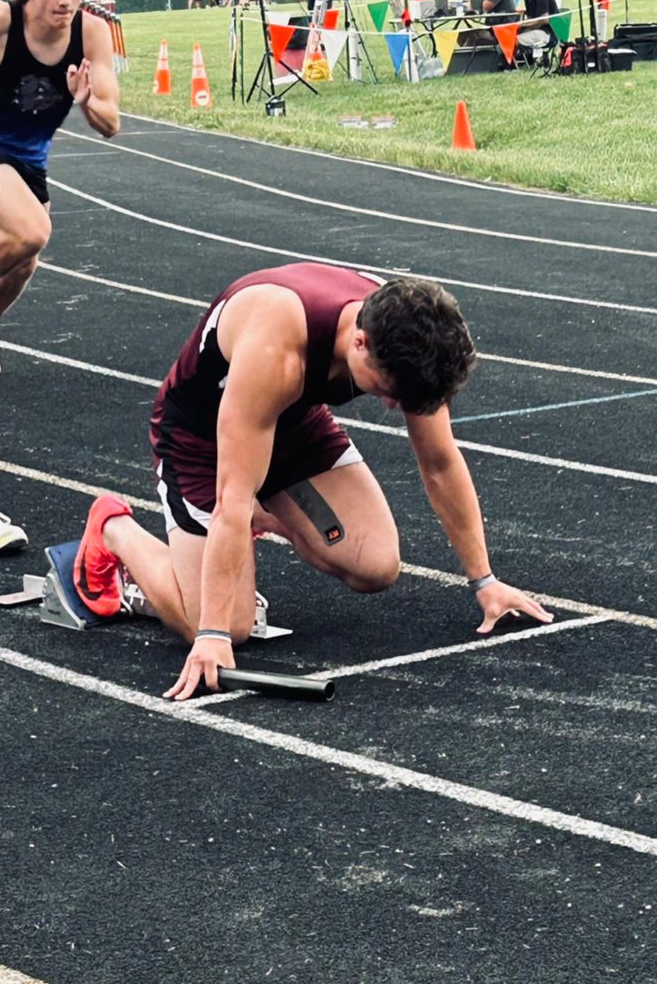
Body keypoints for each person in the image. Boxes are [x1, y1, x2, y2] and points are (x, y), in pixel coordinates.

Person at [73, 262, 553, 700]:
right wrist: (212, 636)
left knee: (376, 565)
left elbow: (441, 462)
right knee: (227, 626)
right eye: (387, 391)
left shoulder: (409, 336)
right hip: (202, 441)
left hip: (292, 425)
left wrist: (484, 580)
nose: (392, 405)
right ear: (359, 342)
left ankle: (260, 521)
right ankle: (114, 529)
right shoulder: (275, 345)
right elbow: (231, 499)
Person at [0, 0, 120, 377]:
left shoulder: (91, 33)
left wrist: (85, 101)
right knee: (33, 231)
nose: (66, 0)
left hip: (28, 161)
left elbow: (111, 123)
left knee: (24, 259)